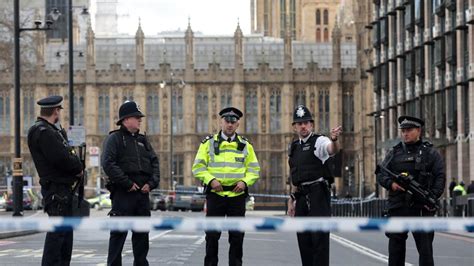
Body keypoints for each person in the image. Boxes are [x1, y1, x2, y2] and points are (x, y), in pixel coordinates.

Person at [192, 107, 260, 266]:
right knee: (212, 236)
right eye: (227, 121)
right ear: (221, 122)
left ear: (237, 124)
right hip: (216, 196)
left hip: (236, 198)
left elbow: (254, 169)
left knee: (237, 238)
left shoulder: (245, 145)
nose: (230, 124)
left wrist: (244, 182)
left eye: (233, 121)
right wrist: (210, 180)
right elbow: (198, 167)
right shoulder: (207, 144)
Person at [377, 115, 445, 266]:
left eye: (409, 130)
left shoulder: (430, 153)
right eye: (403, 131)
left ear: (418, 131)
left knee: (425, 251)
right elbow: (381, 174)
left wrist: (432, 197)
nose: (405, 134)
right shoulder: (394, 153)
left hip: (421, 208)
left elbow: (440, 177)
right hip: (398, 206)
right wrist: (391, 184)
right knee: (395, 251)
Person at [102, 101, 160, 266]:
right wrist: (127, 183)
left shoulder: (143, 140)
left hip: (142, 194)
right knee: (118, 237)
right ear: (126, 120)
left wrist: (151, 183)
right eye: (137, 117)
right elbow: (108, 163)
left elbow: (155, 163)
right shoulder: (114, 138)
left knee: (142, 238)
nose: (140, 120)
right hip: (123, 194)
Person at [27, 95, 84, 266]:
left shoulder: (52, 131)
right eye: (59, 110)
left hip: (63, 190)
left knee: (65, 239)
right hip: (56, 190)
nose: (60, 114)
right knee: (57, 239)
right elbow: (63, 159)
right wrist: (78, 167)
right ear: (55, 111)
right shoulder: (44, 132)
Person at [286, 105, 342, 266]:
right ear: (294, 127)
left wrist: (334, 139)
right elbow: (296, 177)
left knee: (319, 240)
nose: (303, 126)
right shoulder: (294, 147)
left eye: (306, 122)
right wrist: (292, 198)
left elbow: (332, 150)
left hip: (318, 194)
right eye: (299, 123)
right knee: (303, 240)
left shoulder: (320, 141)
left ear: (311, 124)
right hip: (302, 196)